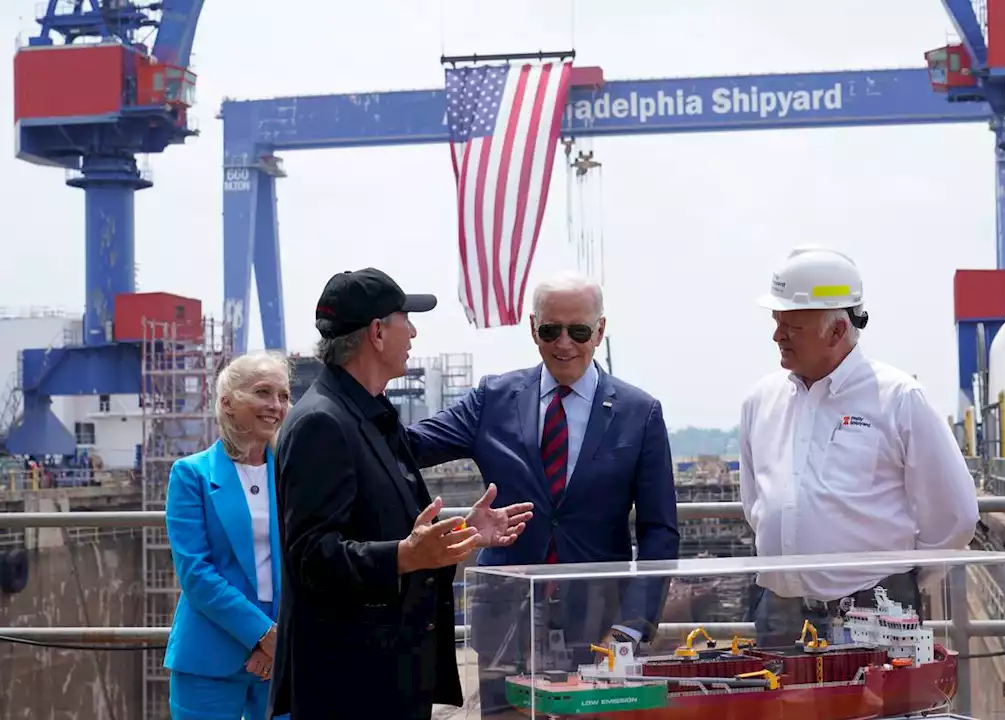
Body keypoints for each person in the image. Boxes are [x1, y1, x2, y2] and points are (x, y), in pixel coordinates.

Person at [405, 270, 679, 713]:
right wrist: (349, 407)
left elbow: (659, 532)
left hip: (598, 625)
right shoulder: (492, 398)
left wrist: (632, 627)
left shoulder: (640, 413)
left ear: (601, 330)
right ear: (533, 327)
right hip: (506, 621)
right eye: (551, 330)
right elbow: (408, 446)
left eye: (579, 331)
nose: (564, 344)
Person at [269, 268, 534, 720]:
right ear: (376, 332)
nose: (412, 331)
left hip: (388, 676)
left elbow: (386, 526)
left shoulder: (368, 412)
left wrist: (462, 532)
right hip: (350, 684)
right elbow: (311, 555)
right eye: (404, 319)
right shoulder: (322, 423)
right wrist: (404, 556)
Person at [739, 246, 979, 647]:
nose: (777, 335)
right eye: (776, 321)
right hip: (779, 612)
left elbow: (955, 515)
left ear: (836, 330)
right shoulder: (760, 401)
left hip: (875, 608)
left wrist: (900, 578)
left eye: (792, 325)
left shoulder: (898, 398)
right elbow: (756, 505)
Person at [164, 350, 292, 720]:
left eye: (283, 396)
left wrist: (278, 640)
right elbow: (196, 575)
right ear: (227, 403)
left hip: (281, 654)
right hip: (210, 656)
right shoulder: (191, 475)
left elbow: (306, 558)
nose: (275, 405)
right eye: (263, 393)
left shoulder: (290, 474)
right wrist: (263, 635)